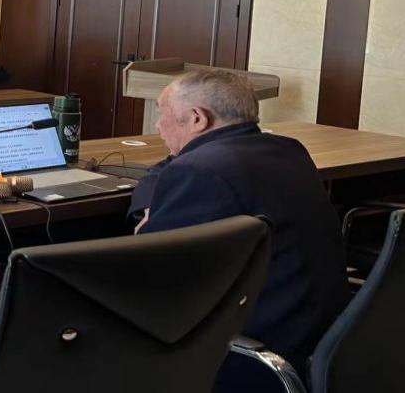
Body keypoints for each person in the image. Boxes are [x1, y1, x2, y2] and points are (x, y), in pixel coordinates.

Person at [129, 69, 348, 369]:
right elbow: (168, 166)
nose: (157, 126)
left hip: (255, 351)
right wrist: (149, 206)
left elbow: (150, 272)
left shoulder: (201, 171)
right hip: (323, 337)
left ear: (197, 118)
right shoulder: (289, 149)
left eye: (162, 112)